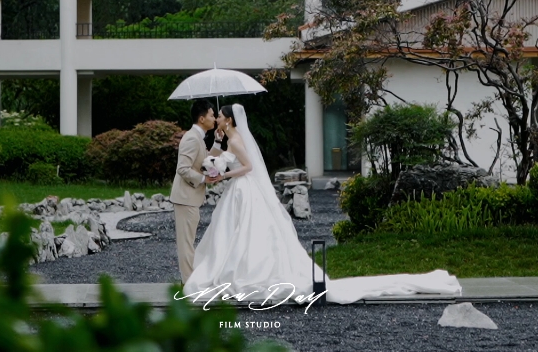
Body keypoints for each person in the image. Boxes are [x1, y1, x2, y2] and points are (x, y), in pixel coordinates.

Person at [182, 103, 462, 305]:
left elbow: (248, 166)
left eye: (219, 115)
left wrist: (225, 173)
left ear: (228, 120)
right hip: (238, 191)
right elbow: (218, 156)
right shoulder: (228, 138)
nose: (216, 118)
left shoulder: (238, 140)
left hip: (243, 188)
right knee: (233, 233)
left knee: (246, 233)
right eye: (215, 115)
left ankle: (246, 274)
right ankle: (235, 272)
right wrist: (216, 157)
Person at [170, 99, 224, 285]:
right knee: (186, 244)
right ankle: (189, 285)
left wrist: (217, 141)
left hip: (191, 198)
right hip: (185, 198)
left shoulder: (198, 137)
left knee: (189, 241)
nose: (214, 118)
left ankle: (191, 282)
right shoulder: (192, 138)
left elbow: (205, 161)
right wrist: (204, 179)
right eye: (211, 115)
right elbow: (183, 169)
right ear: (202, 119)